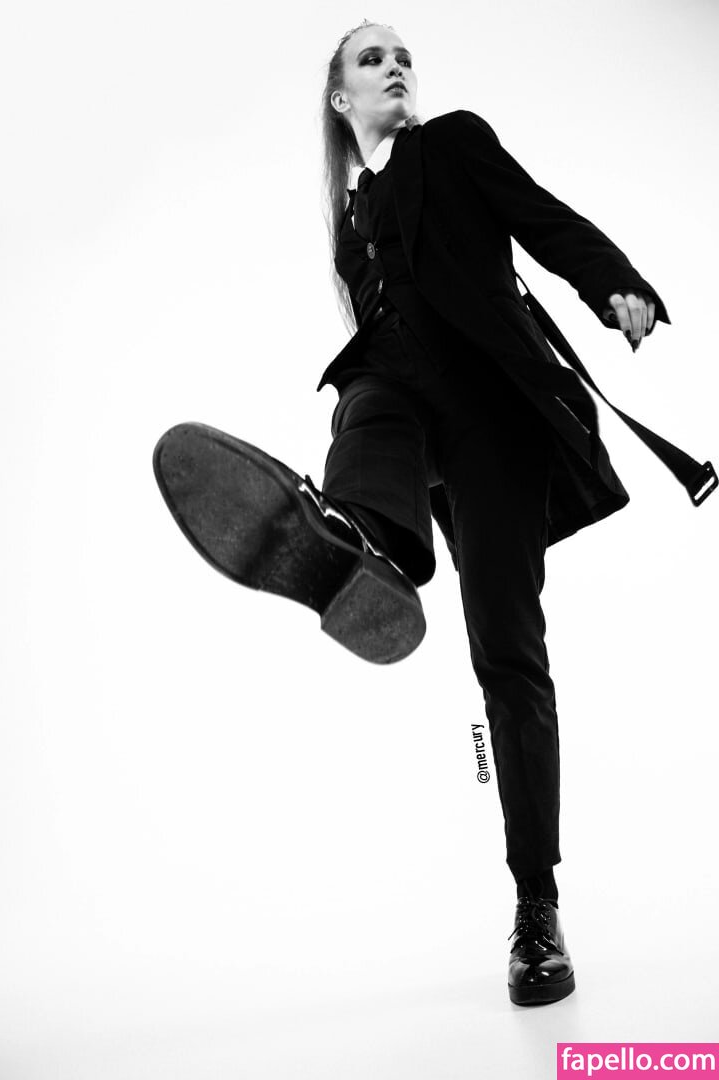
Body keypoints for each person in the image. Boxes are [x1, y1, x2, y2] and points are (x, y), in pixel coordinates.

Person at [153, 19, 673, 1007]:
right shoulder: (350, 226)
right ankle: (355, 538)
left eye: (403, 57)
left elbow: (546, 219)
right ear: (340, 98)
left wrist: (616, 286)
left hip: (495, 422)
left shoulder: (456, 144)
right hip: (403, 414)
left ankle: (536, 906)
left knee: (508, 659)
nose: (395, 67)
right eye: (371, 58)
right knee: (368, 385)